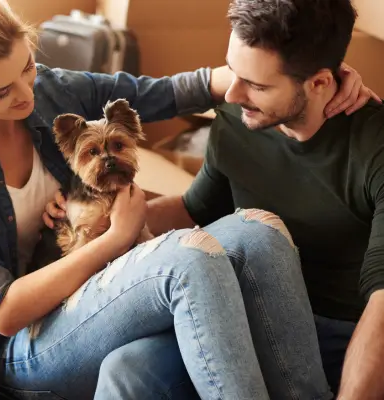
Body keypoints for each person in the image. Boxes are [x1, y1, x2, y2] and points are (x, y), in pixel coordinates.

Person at [0, 0, 378, 399]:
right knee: (188, 259)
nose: (26, 94)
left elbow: (176, 91)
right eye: (0, 92)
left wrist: (325, 77)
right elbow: (3, 311)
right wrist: (114, 237)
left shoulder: (49, 90)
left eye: (27, 67)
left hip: (100, 290)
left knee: (258, 229)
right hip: (23, 343)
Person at [118, 0, 383, 398]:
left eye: (257, 85)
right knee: (130, 370)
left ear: (320, 83)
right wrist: (103, 222)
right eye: (233, 71)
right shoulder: (237, 117)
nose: (232, 93)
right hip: (245, 310)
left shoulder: (374, 146)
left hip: (340, 332)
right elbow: (198, 208)